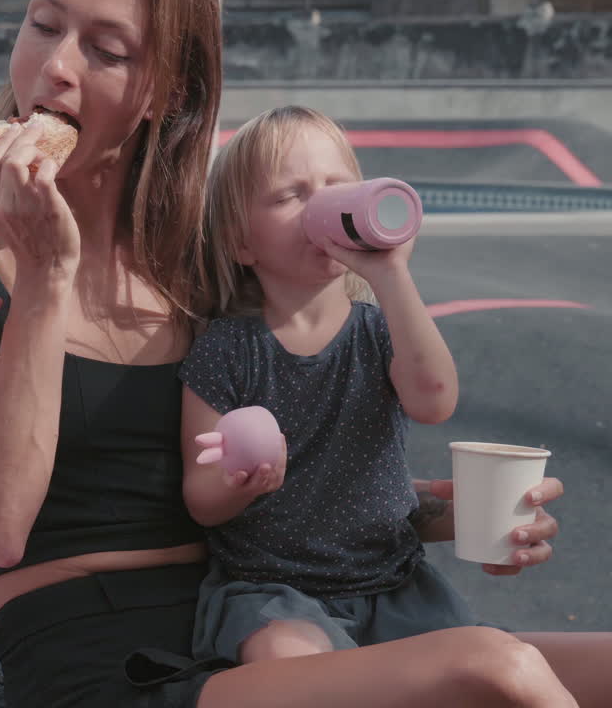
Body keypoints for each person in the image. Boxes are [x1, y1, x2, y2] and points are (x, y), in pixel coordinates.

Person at [0, 0, 610, 706]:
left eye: (107, 50)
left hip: (274, 610)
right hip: (101, 650)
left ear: (167, 93)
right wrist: (46, 277)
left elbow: (263, 470)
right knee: (491, 668)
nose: (57, 67)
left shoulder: (202, 254)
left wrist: (447, 516)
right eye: (43, 25)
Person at [181, 104, 474, 665]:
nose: (320, 205)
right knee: (292, 661)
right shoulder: (227, 349)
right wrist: (240, 483)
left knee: (472, 670)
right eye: (291, 196)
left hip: (395, 584)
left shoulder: (382, 328)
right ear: (243, 244)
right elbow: (200, 500)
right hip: (273, 594)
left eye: (336, 187)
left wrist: (390, 274)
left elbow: (435, 402)